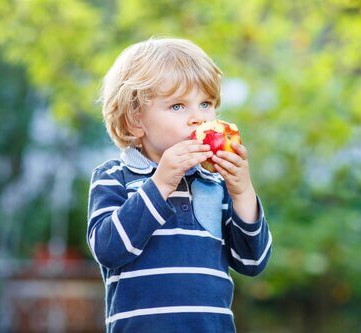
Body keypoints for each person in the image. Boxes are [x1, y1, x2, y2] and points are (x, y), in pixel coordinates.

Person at [87, 37, 272, 332]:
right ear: (136, 120)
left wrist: (242, 192)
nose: (198, 118)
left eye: (205, 104)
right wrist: (161, 183)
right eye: (177, 106)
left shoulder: (214, 183)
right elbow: (108, 249)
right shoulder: (114, 177)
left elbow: (252, 261)